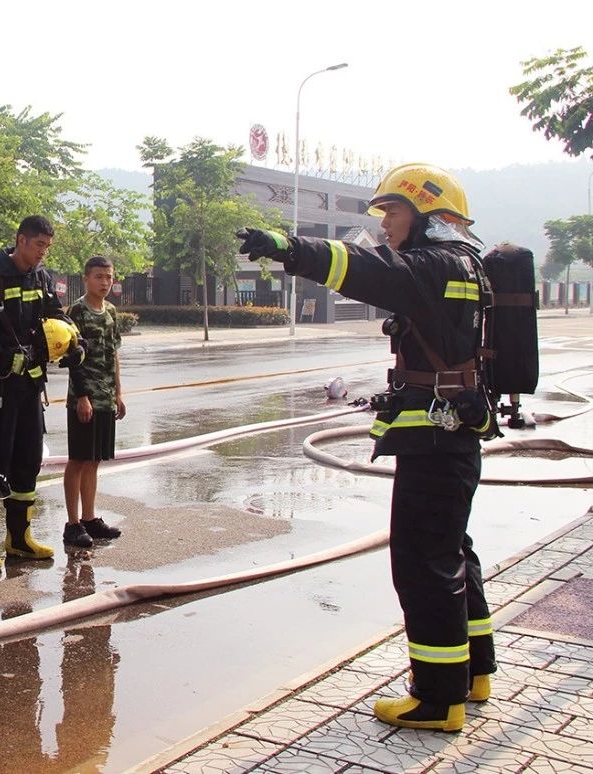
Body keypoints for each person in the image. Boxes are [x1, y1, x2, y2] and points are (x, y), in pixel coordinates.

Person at [237, 162, 498, 733]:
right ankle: (475, 671)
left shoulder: (431, 265)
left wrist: (287, 246)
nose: (386, 226)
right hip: (458, 428)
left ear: (428, 215)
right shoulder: (470, 265)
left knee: (422, 562)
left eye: (394, 212)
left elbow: (362, 269)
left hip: (436, 436)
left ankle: (437, 699)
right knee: (454, 549)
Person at [0, 216, 85, 567]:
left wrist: (74, 340)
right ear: (20, 240)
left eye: (47, 247)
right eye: (38, 246)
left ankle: (19, 539)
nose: (43, 253)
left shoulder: (40, 277)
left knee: (27, 461)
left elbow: (55, 314)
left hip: (30, 386)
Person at [62, 256, 126, 548]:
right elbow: (72, 359)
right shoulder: (76, 312)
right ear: (86, 278)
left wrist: (119, 394)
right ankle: (73, 524)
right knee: (78, 459)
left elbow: (114, 355)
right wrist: (83, 397)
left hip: (105, 398)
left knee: (95, 459)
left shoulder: (111, 311)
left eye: (108, 277)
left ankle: (89, 518)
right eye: (99, 277)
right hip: (83, 399)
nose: (104, 282)